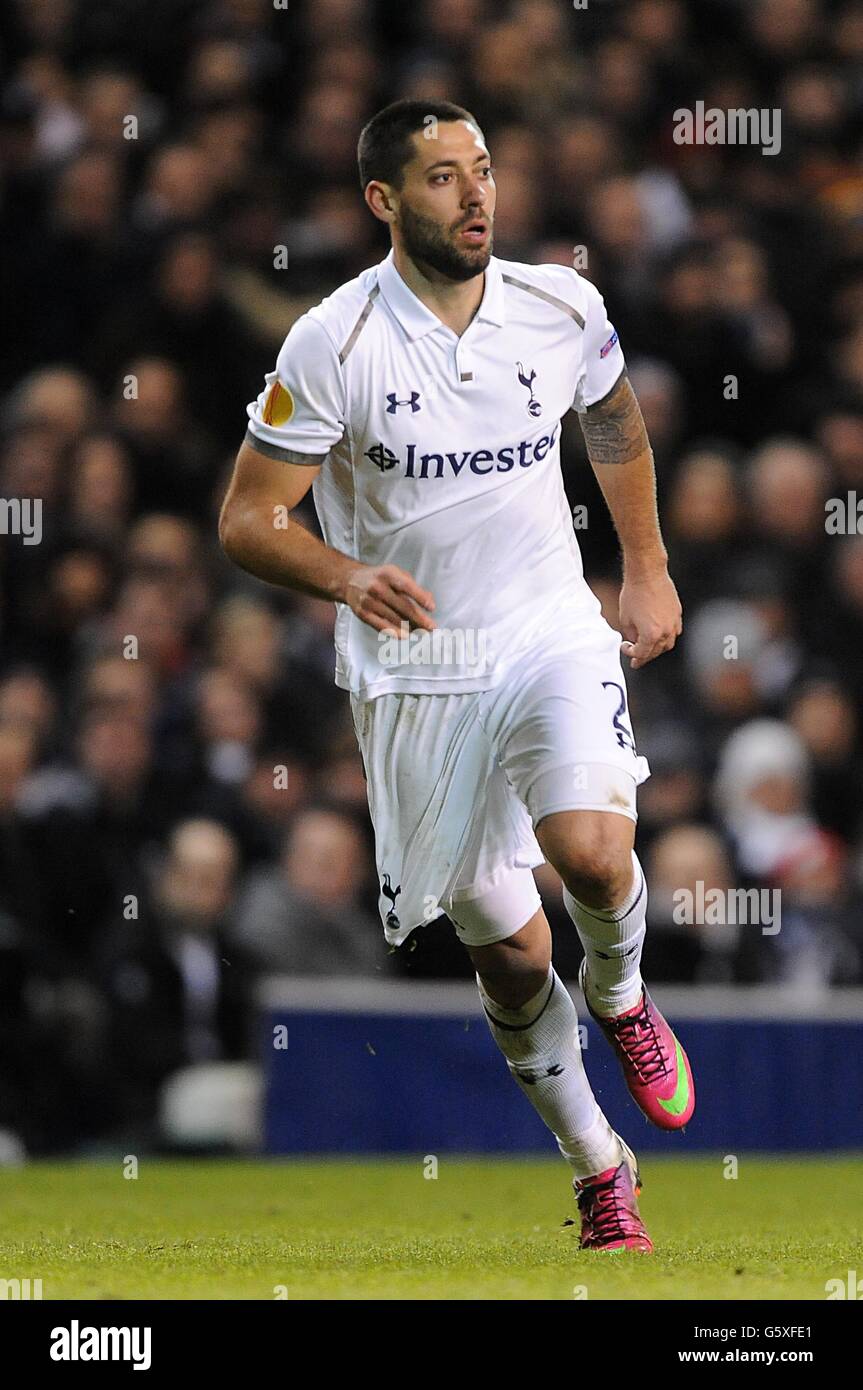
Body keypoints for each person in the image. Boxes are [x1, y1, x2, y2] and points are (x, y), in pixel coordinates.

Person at [219, 99, 691, 1252]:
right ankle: (596, 1164)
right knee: (511, 949)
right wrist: (340, 575)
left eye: (481, 169)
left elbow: (613, 421)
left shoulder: (557, 305)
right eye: (441, 177)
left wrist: (644, 568)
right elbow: (245, 518)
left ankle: (623, 993)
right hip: (416, 672)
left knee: (589, 849)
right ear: (383, 200)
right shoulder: (331, 343)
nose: (475, 195)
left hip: (543, 628)